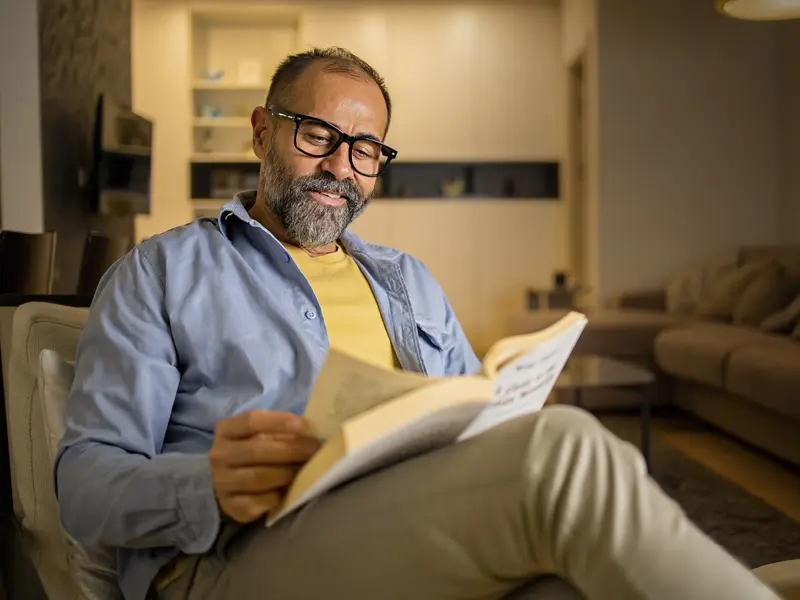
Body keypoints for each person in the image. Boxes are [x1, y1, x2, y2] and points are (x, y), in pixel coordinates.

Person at [54, 47, 782, 600]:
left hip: (407, 516)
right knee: (564, 454)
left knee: (564, 584)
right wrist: (206, 485)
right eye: (317, 135)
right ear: (260, 132)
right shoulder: (161, 274)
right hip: (229, 555)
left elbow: (476, 414)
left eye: (365, 149)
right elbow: (83, 487)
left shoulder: (409, 281)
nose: (341, 167)